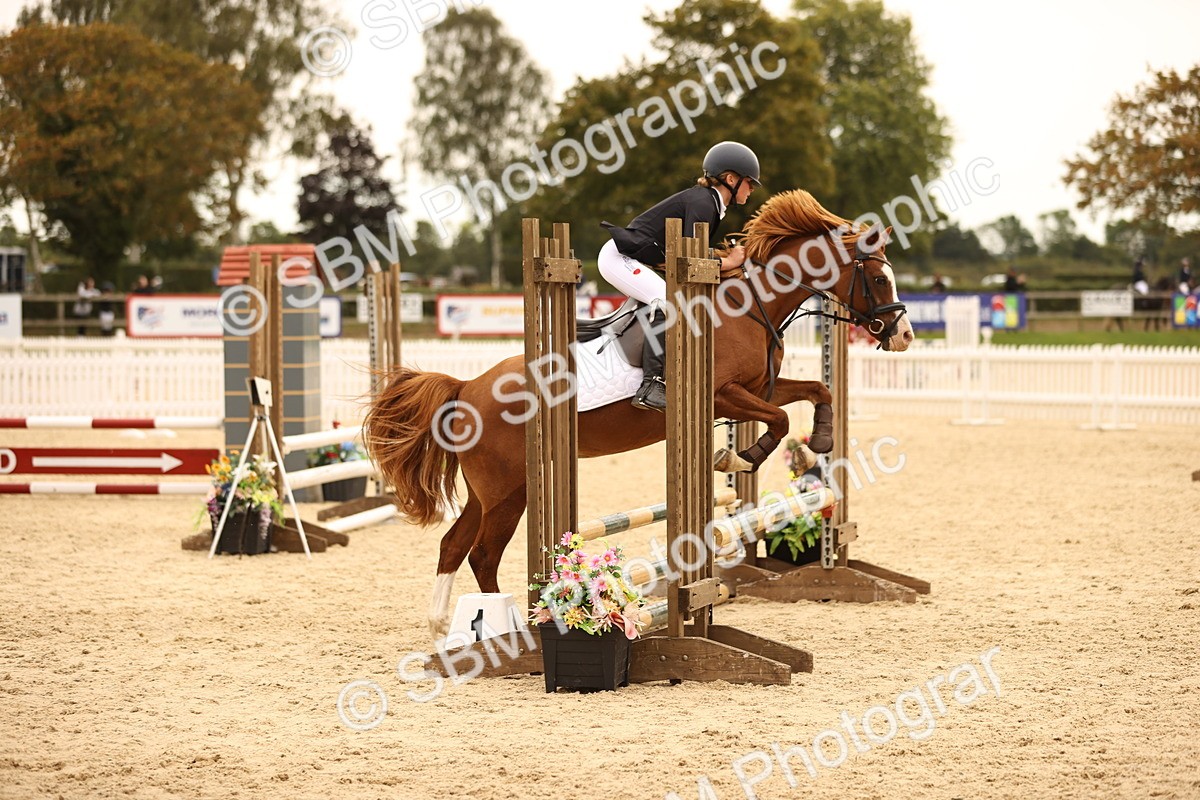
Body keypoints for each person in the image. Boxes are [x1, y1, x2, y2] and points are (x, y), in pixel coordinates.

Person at [597, 141, 760, 411]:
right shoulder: (703, 202)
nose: (752, 188)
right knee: (665, 302)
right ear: (731, 179)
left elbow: (686, 255)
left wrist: (724, 263)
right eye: (749, 182)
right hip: (619, 257)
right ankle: (651, 384)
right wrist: (728, 260)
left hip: (633, 257)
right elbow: (690, 260)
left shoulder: (709, 202)